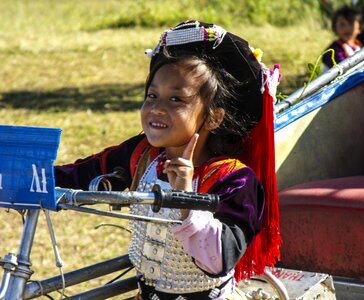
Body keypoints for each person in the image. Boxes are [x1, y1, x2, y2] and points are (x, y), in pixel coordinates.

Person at [55, 20, 281, 299]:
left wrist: (186, 197)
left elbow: (219, 261)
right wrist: (27, 175)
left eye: (176, 99)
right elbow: (81, 173)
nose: (157, 108)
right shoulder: (141, 155)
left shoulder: (233, 179)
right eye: (152, 95)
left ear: (214, 117)